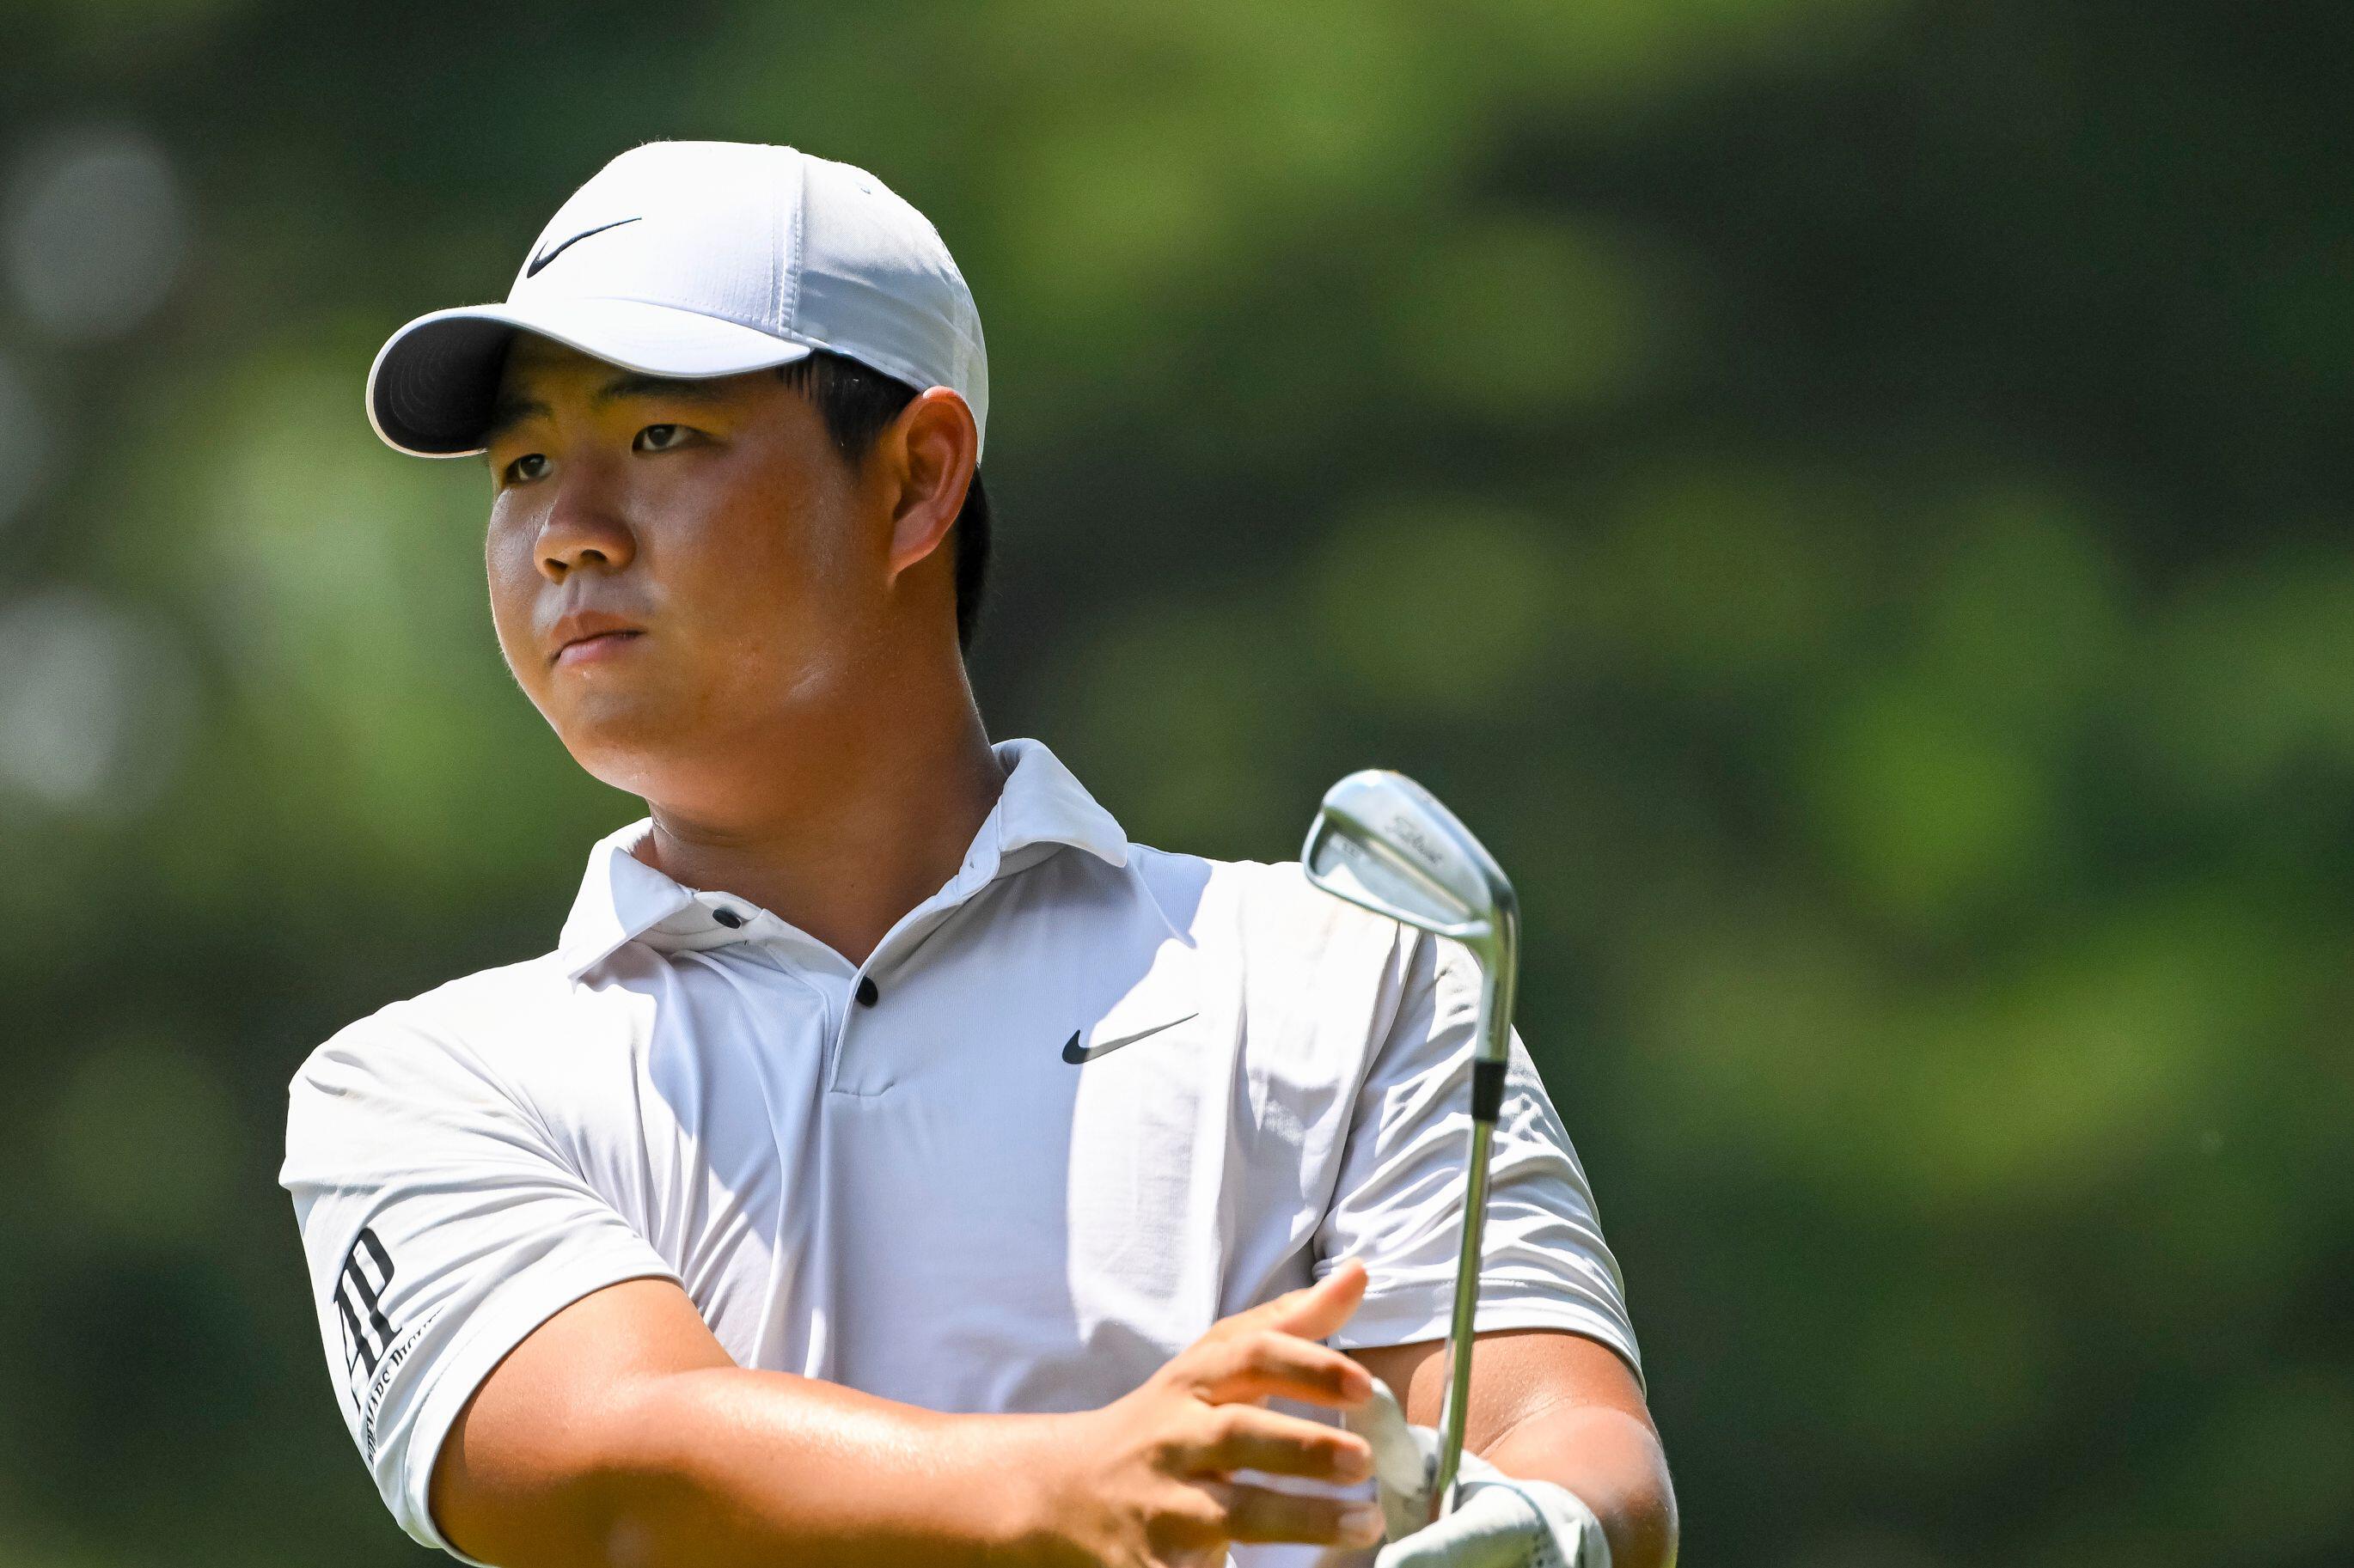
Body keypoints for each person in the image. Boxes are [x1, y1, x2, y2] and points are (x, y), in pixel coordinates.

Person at [280, 140, 1677, 1568]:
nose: (565, 534)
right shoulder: (419, 1086)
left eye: (659, 439)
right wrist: (1070, 1481)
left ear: (917, 479)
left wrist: (1531, 1529)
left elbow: (1562, 1435)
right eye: (523, 466)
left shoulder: (1341, 978)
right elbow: (620, 1463)